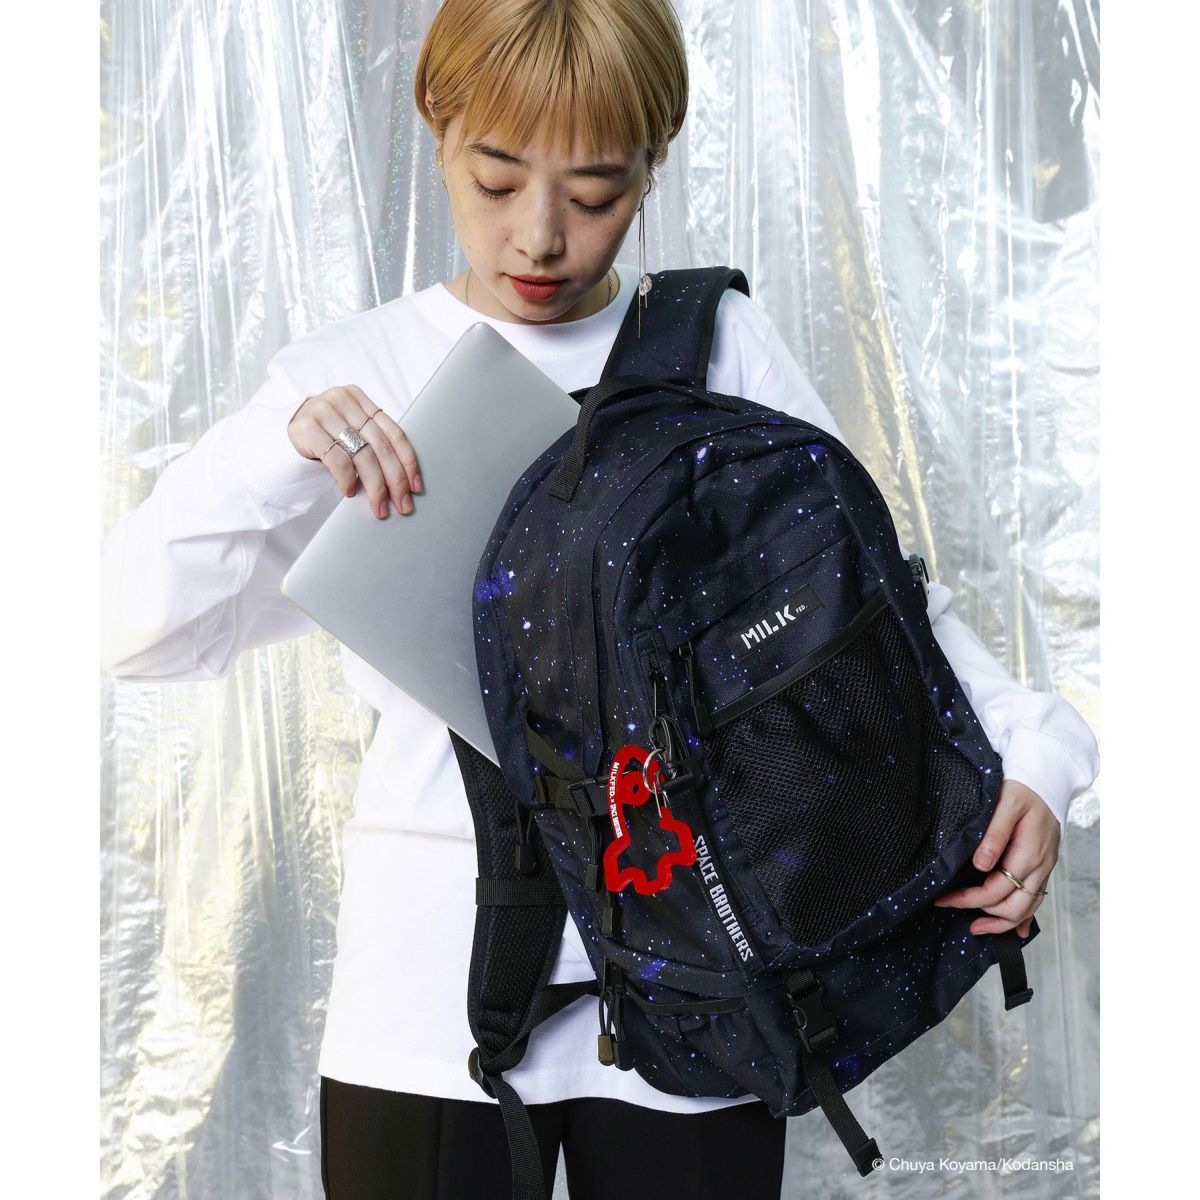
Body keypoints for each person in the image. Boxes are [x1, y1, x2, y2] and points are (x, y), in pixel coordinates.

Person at [100, 1, 1100, 1196]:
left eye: (595, 192)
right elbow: (129, 629)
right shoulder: (351, 377)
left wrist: (1037, 752)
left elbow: (865, 598)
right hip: (424, 1003)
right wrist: (274, 448)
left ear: (652, 163)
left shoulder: (715, 344)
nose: (539, 236)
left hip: (711, 976)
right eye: (496, 177)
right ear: (436, 121)